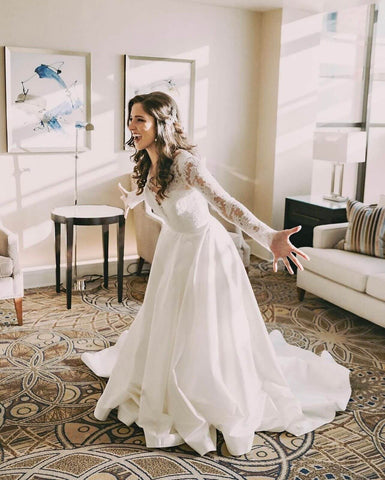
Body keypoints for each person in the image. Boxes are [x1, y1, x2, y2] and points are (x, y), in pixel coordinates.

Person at [82, 91, 351, 457]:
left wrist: (268, 236)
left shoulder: (187, 163)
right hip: (173, 249)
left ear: (161, 123)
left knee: (204, 326)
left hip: (204, 252)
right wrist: (133, 199)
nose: (132, 126)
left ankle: (205, 388)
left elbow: (228, 205)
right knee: (169, 322)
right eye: (131, 119)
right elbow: (150, 193)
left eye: (139, 120)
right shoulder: (147, 160)